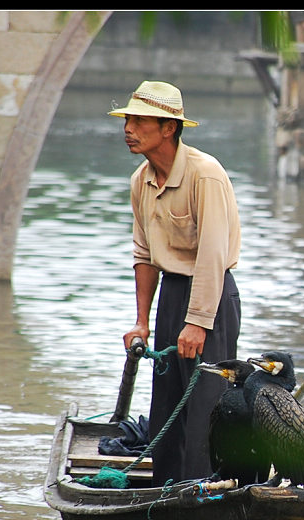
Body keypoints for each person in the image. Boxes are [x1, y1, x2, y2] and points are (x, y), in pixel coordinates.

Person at [109, 81, 242, 484]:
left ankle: (202, 493)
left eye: (139, 120)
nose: (128, 128)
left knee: (205, 405)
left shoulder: (206, 175)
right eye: (127, 120)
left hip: (212, 296)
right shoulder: (140, 181)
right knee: (166, 404)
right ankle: (164, 493)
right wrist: (142, 321)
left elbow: (213, 256)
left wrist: (198, 321)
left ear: (169, 128)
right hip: (171, 294)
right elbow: (144, 255)